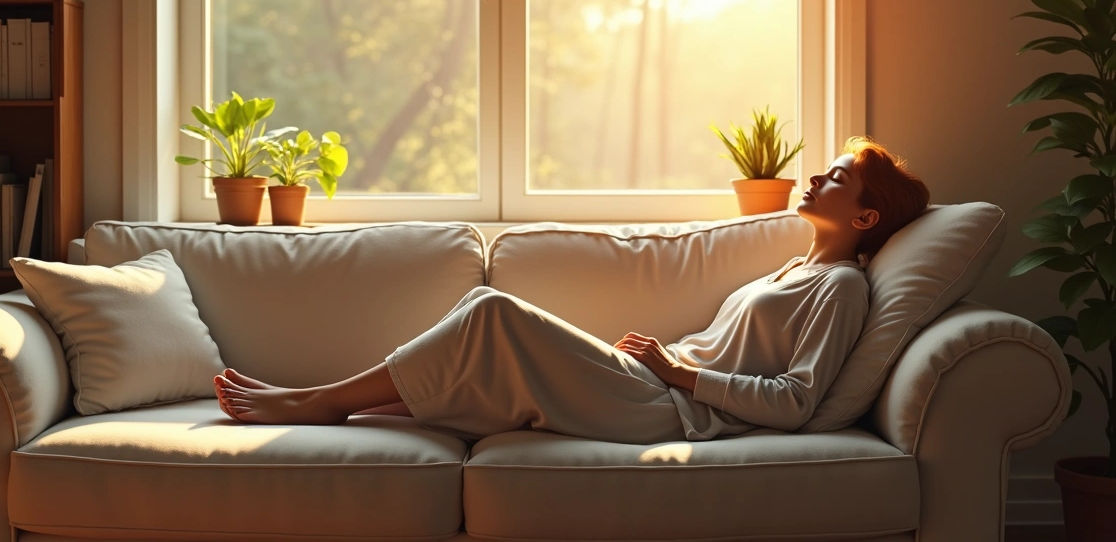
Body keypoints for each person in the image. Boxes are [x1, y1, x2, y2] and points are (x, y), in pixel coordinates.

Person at [214, 136, 930, 444]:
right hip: (654, 385)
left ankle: (320, 402)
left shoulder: (841, 290)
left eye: (836, 179)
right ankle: (336, 406)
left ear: (866, 217)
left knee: (493, 311)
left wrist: (679, 371)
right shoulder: (795, 270)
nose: (815, 178)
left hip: (671, 409)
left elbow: (799, 403)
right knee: (478, 319)